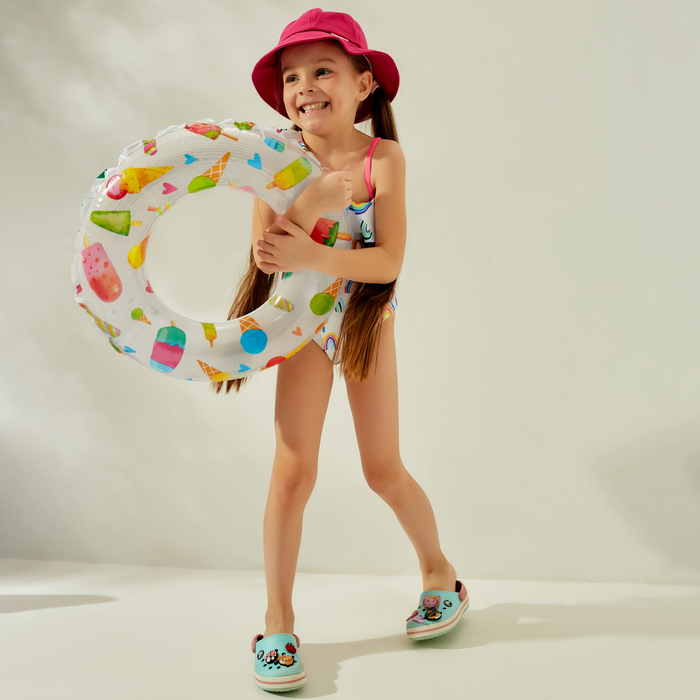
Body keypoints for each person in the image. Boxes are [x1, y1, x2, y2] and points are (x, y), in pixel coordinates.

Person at [212, 8, 469, 692]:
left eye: (322, 71)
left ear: (363, 84)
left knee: (383, 469)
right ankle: (277, 622)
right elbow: (266, 252)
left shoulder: (383, 159)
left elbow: (386, 262)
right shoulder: (271, 155)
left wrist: (316, 248)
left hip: (362, 322)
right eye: (292, 77)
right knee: (292, 473)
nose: (304, 87)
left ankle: (440, 572)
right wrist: (311, 203)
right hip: (300, 326)